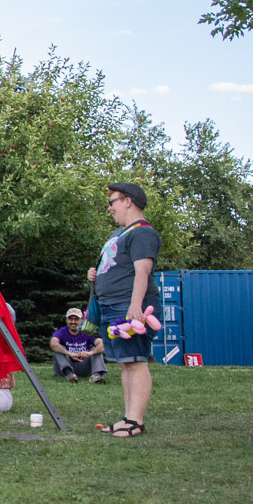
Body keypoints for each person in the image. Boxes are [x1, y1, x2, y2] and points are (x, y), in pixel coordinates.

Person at [89, 182, 161, 437]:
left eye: (112, 202)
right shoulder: (120, 234)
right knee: (125, 362)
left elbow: (142, 270)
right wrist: (97, 274)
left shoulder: (142, 233)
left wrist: (135, 305)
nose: (110, 208)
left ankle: (136, 421)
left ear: (128, 201)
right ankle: (128, 417)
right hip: (111, 305)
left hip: (128, 306)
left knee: (136, 361)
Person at [50, 307, 107, 383]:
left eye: (76, 319)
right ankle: (69, 374)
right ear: (66, 320)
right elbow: (53, 344)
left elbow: (102, 344)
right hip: (65, 367)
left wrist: (90, 353)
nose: (73, 322)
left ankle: (96, 375)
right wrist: (70, 354)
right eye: (70, 319)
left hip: (84, 366)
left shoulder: (86, 332)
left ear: (82, 320)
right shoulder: (61, 332)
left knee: (95, 349)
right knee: (59, 348)